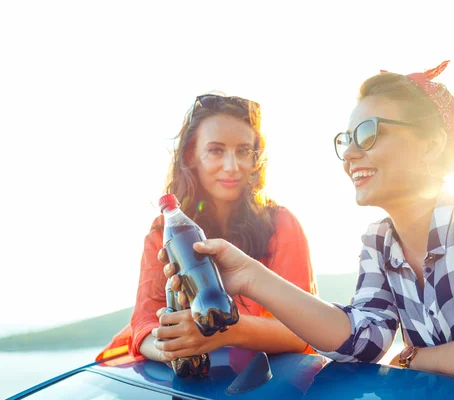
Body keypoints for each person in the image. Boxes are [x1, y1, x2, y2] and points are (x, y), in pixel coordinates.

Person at [167, 63, 454, 399]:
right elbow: (362, 338)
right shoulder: (379, 242)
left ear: (431, 145)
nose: (349, 153)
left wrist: (414, 356)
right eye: (346, 138)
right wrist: (247, 277)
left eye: (369, 133)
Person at [97, 93, 317, 363]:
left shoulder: (281, 224)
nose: (232, 166)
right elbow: (144, 325)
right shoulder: (164, 232)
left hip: (271, 380)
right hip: (190, 382)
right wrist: (174, 350)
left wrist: (221, 332)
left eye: (244, 151)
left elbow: (302, 330)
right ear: (191, 155)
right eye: (216, 150)